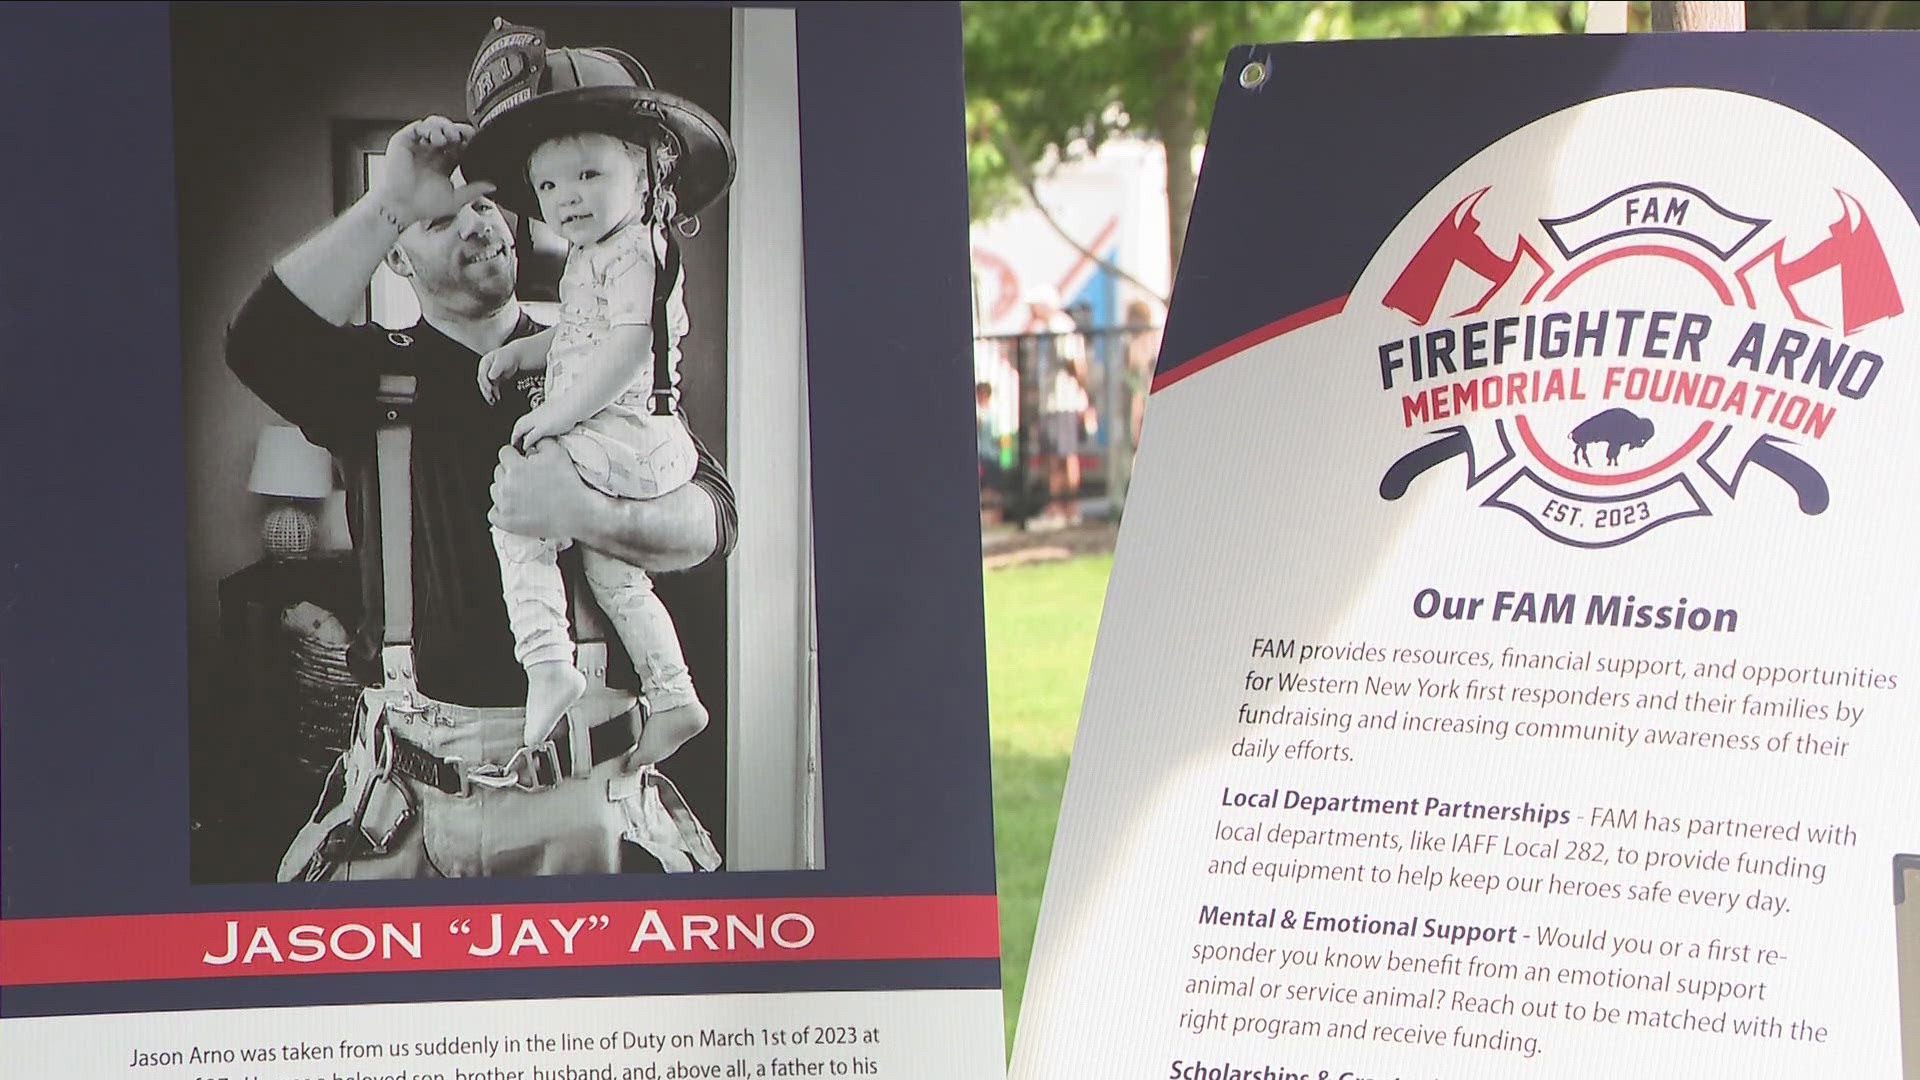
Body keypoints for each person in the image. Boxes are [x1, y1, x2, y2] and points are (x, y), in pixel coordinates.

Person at [225, 110, 734, 878]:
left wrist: (586, 515)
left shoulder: (605, 358)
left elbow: (713, 519)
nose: (477, 223)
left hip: (584, 795)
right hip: (408, 805)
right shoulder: (369, 377)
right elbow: (258, 344)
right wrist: (392, 198)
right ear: (395, 257)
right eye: (439, 218)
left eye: (486, 204)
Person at [460, 21, 731, 751]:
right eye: (548, 185)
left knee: (517, 511)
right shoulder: (590, 257)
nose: (567, 198)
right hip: (621, 437)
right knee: (616, 578)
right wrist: (527, 356)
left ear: (645, 175)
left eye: (588, 175)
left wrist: (554, 416)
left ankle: (546, 662)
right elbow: (584, 337)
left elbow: (624, 348)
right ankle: (673, 693)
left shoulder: (641, 248)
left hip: (631, 434)